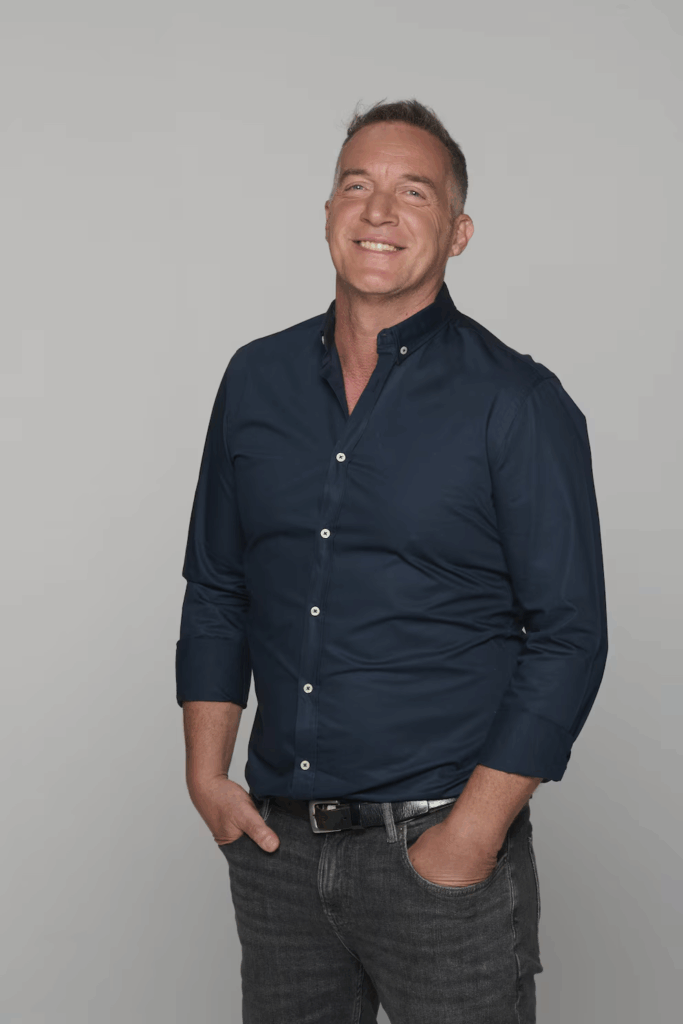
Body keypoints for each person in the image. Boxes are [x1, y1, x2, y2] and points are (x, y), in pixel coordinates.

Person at [175, 99, 608, 1024]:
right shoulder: (254, 379)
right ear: (328, 212)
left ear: (457, 232)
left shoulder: (516, 402)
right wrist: (206, 777)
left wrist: (471, 836)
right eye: (356, 186)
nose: (378, 211)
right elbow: (217, 584)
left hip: (439, 856)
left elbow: (569, 635)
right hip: (278, 855)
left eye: (413, 192)